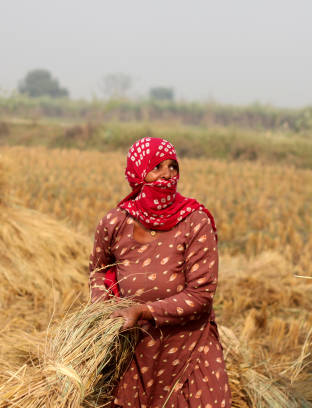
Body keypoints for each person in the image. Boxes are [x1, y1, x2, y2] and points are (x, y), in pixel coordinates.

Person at [89, 137, 231, 408]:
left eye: (173, 167)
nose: (167, 175)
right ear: (138, 174)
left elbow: (201, 296)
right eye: (157, 168)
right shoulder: (114, 221)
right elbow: (99, 271)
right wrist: (103, 311)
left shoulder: (195, 221)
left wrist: (143, 311)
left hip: (189, 347)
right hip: (133, 348)